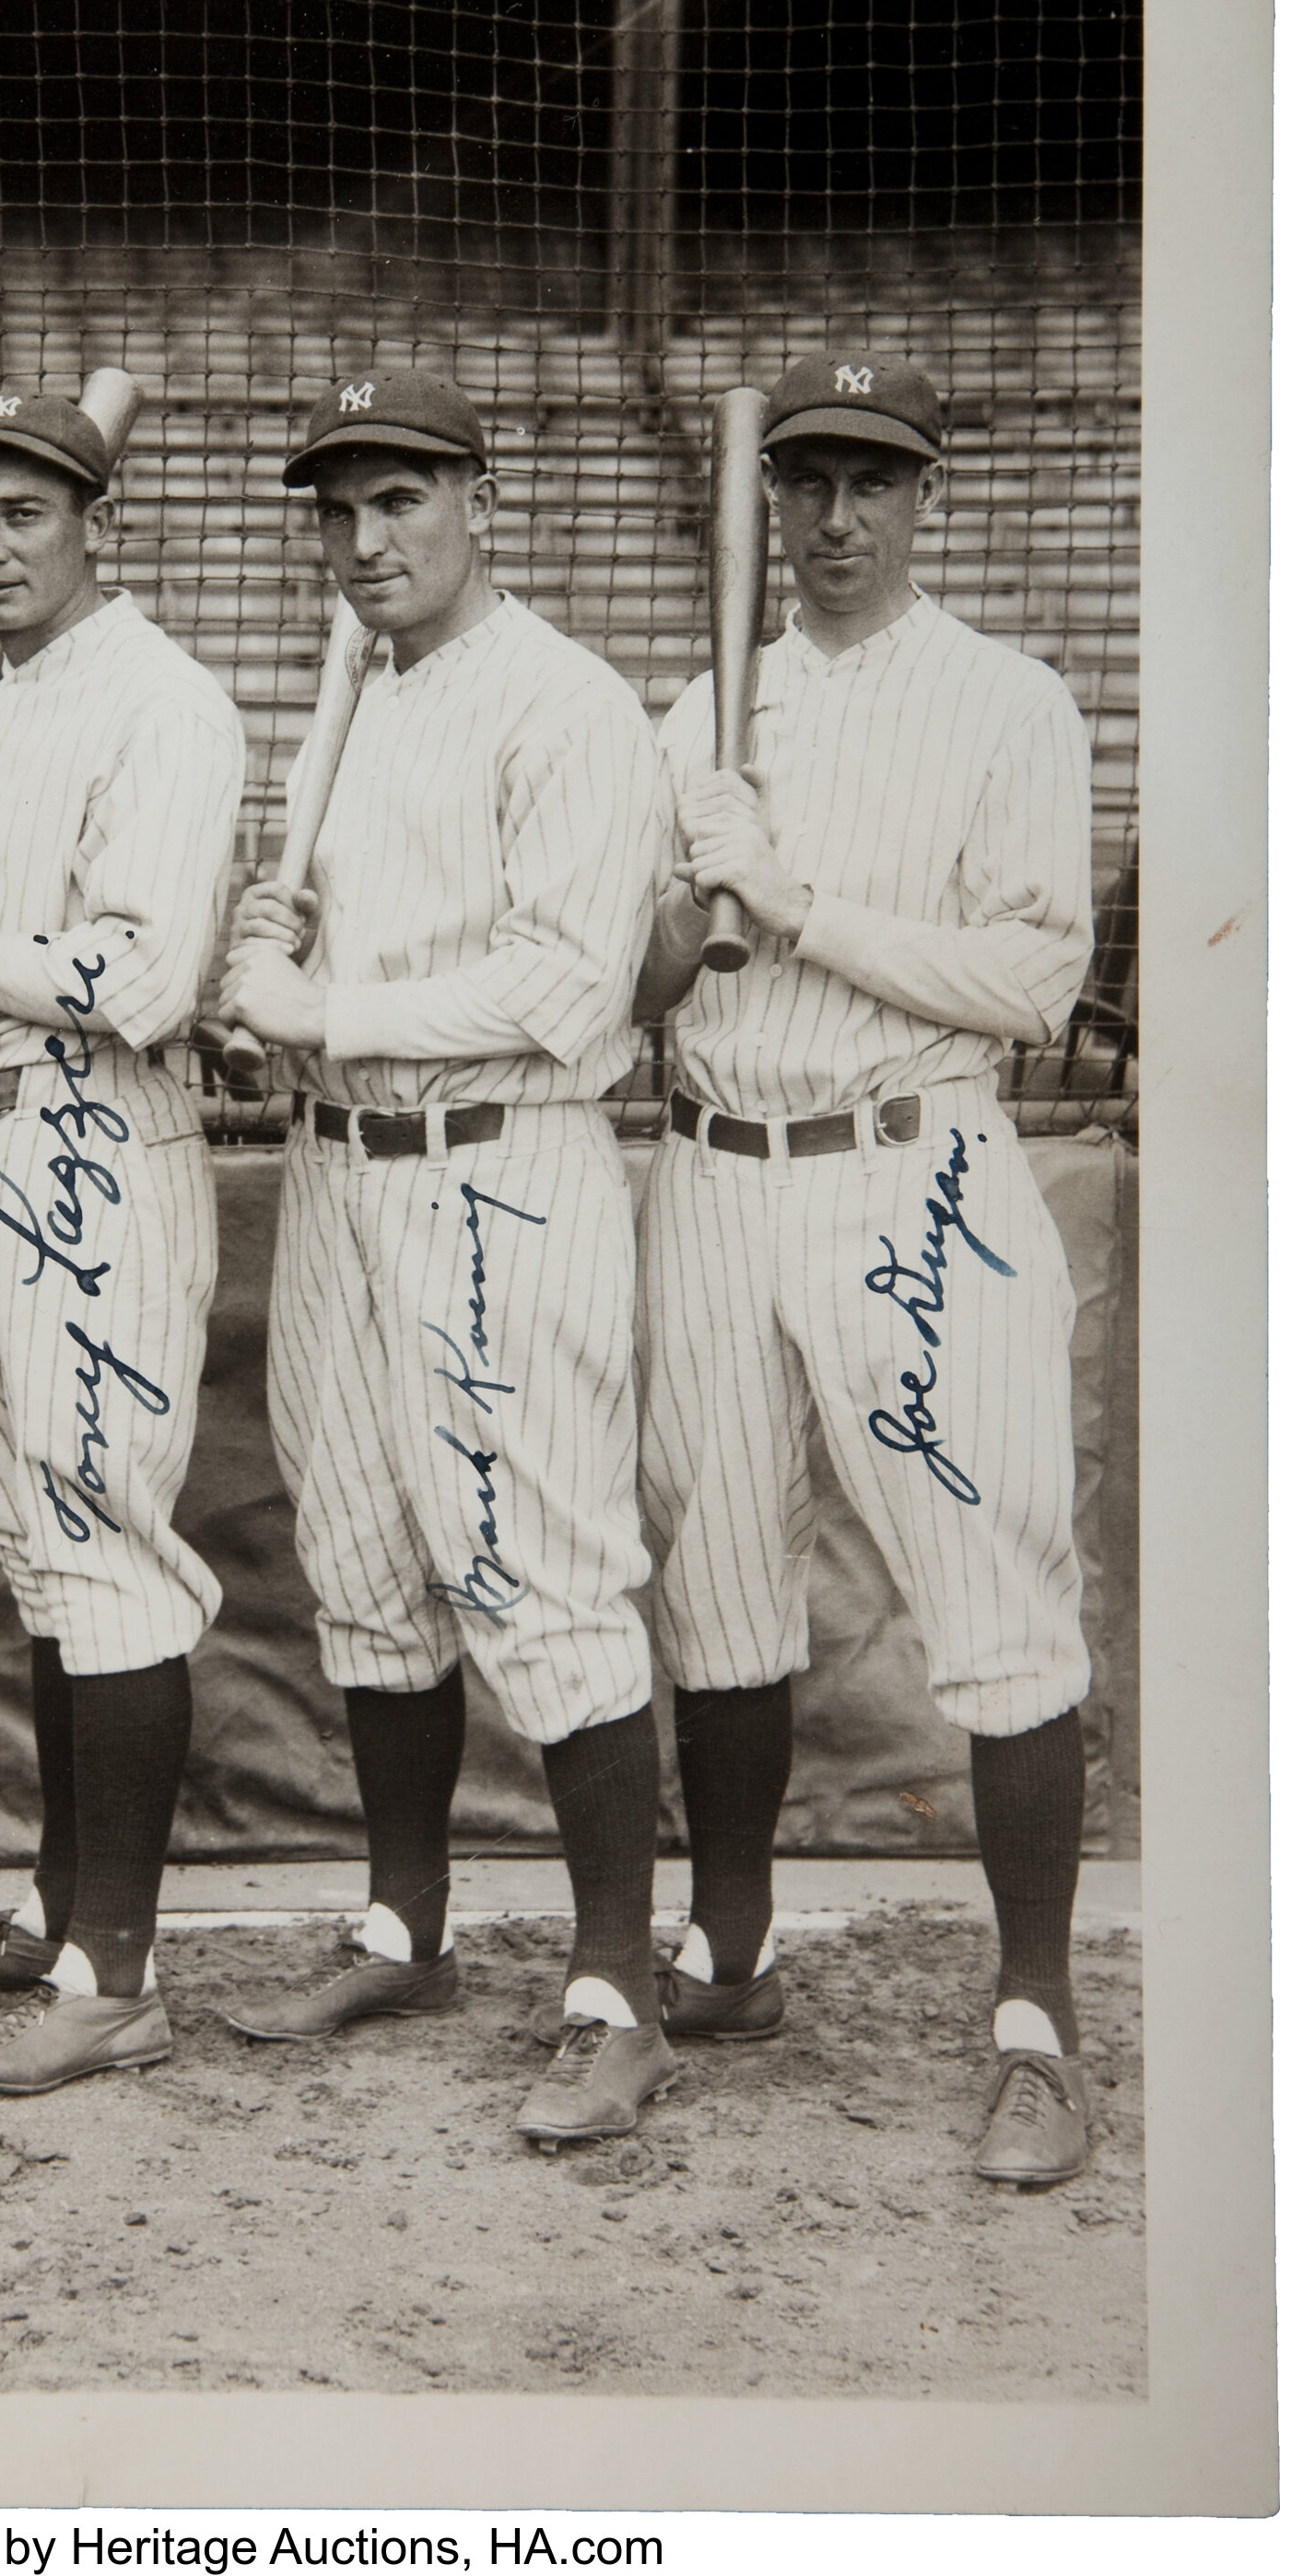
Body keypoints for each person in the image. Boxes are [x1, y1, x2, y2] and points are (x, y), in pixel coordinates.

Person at [632, 353, 1098, 2186]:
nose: (830, 517)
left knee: (991, 1602)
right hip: (714, 1171)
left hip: (915, 1178)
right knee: (722, 1586)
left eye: (868, 484)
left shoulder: (1007, 701)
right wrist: (679, 925)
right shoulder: (694, 715)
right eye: (804, 482)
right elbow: (635, 998)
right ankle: (731, 1947)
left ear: (926, 502)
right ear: (767, 503)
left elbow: (1030, 982)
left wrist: (796, 892)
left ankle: (1036, 2020)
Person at [217, 371, 674, 2146]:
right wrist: (283, 981)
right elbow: (340, 951)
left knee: (541, 1568)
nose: (363, 540)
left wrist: (333, 1002)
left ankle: (616, 1993)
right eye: (336, 509)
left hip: (504, 1168)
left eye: (399, 500)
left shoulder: (568, 705)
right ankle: (406, 1926)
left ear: (481, 499)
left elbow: (569, 990)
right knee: (366, 1552)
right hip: (343, 1170)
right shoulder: (359, 690)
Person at [0, 388, 244, 2097]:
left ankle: (117, 1975)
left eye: (25, 514)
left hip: (87, 1152)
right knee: (38, 1542)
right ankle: (63, 1903)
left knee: (105, 1546)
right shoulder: (1, 696)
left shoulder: (169, 699)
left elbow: (144, 978)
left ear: (99, 522)